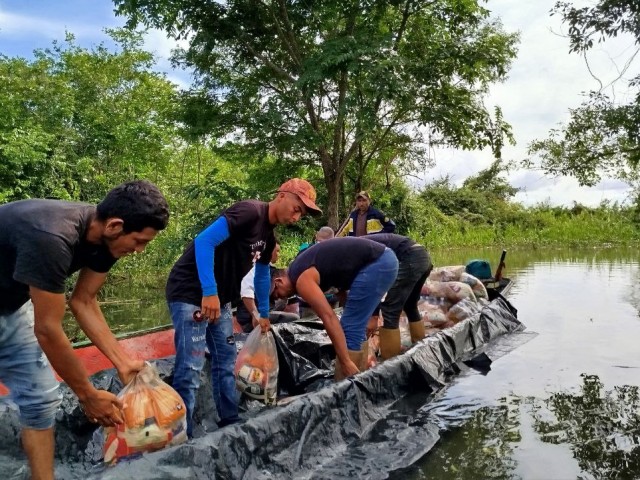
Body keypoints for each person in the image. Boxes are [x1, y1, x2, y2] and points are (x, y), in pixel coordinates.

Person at [0, 180, 170, 480]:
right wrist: (87, 394)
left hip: (10, 310)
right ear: (115, 226)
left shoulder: (106, 242)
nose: (140, 250)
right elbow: (47, 329)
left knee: (40, 401)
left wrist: (123, 362)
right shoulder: (51, 237)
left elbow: (84, 301)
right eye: (139, 241)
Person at [165, 178, 321, 436]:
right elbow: (204, 241)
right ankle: (184, 438)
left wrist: (263, 313)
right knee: (190, 368)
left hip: (222, 299)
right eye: (296, 208)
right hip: (192, 292)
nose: (296, 217)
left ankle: (229, 423)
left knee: (226, 360)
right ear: (282, 195)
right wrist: (209, 291)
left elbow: (262, 276)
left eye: (301, 215)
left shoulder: (268, 237)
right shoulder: (250, 211)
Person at [272, 237, 398, 380]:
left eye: (277, 294)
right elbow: (341, 291)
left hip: (378, 263)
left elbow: (329, 317)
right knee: (353, 326)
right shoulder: (300, 267)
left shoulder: (301, 280)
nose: (280, 298)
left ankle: (348, 385)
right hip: (383, 260)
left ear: (279, 282)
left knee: (350, 327)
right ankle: (360, 378)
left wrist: (345, 361)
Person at [364, 233, 433, 360]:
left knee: (390, 309)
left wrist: (374, 315)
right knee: (410, 305)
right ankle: (421, 349)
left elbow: (375, 280)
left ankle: (390, 363)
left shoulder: (357, 251)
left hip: (410, 257)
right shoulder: (359, 244)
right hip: (422, 256)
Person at [236, 243, 300, 333]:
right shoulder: (257, 268)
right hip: (250, 319)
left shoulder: (269, 269)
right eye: (276, 251)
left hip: (259, 311)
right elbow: (246, 289)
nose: (278, 254)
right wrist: (255, 315)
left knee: (283, 302)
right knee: (294, 318)